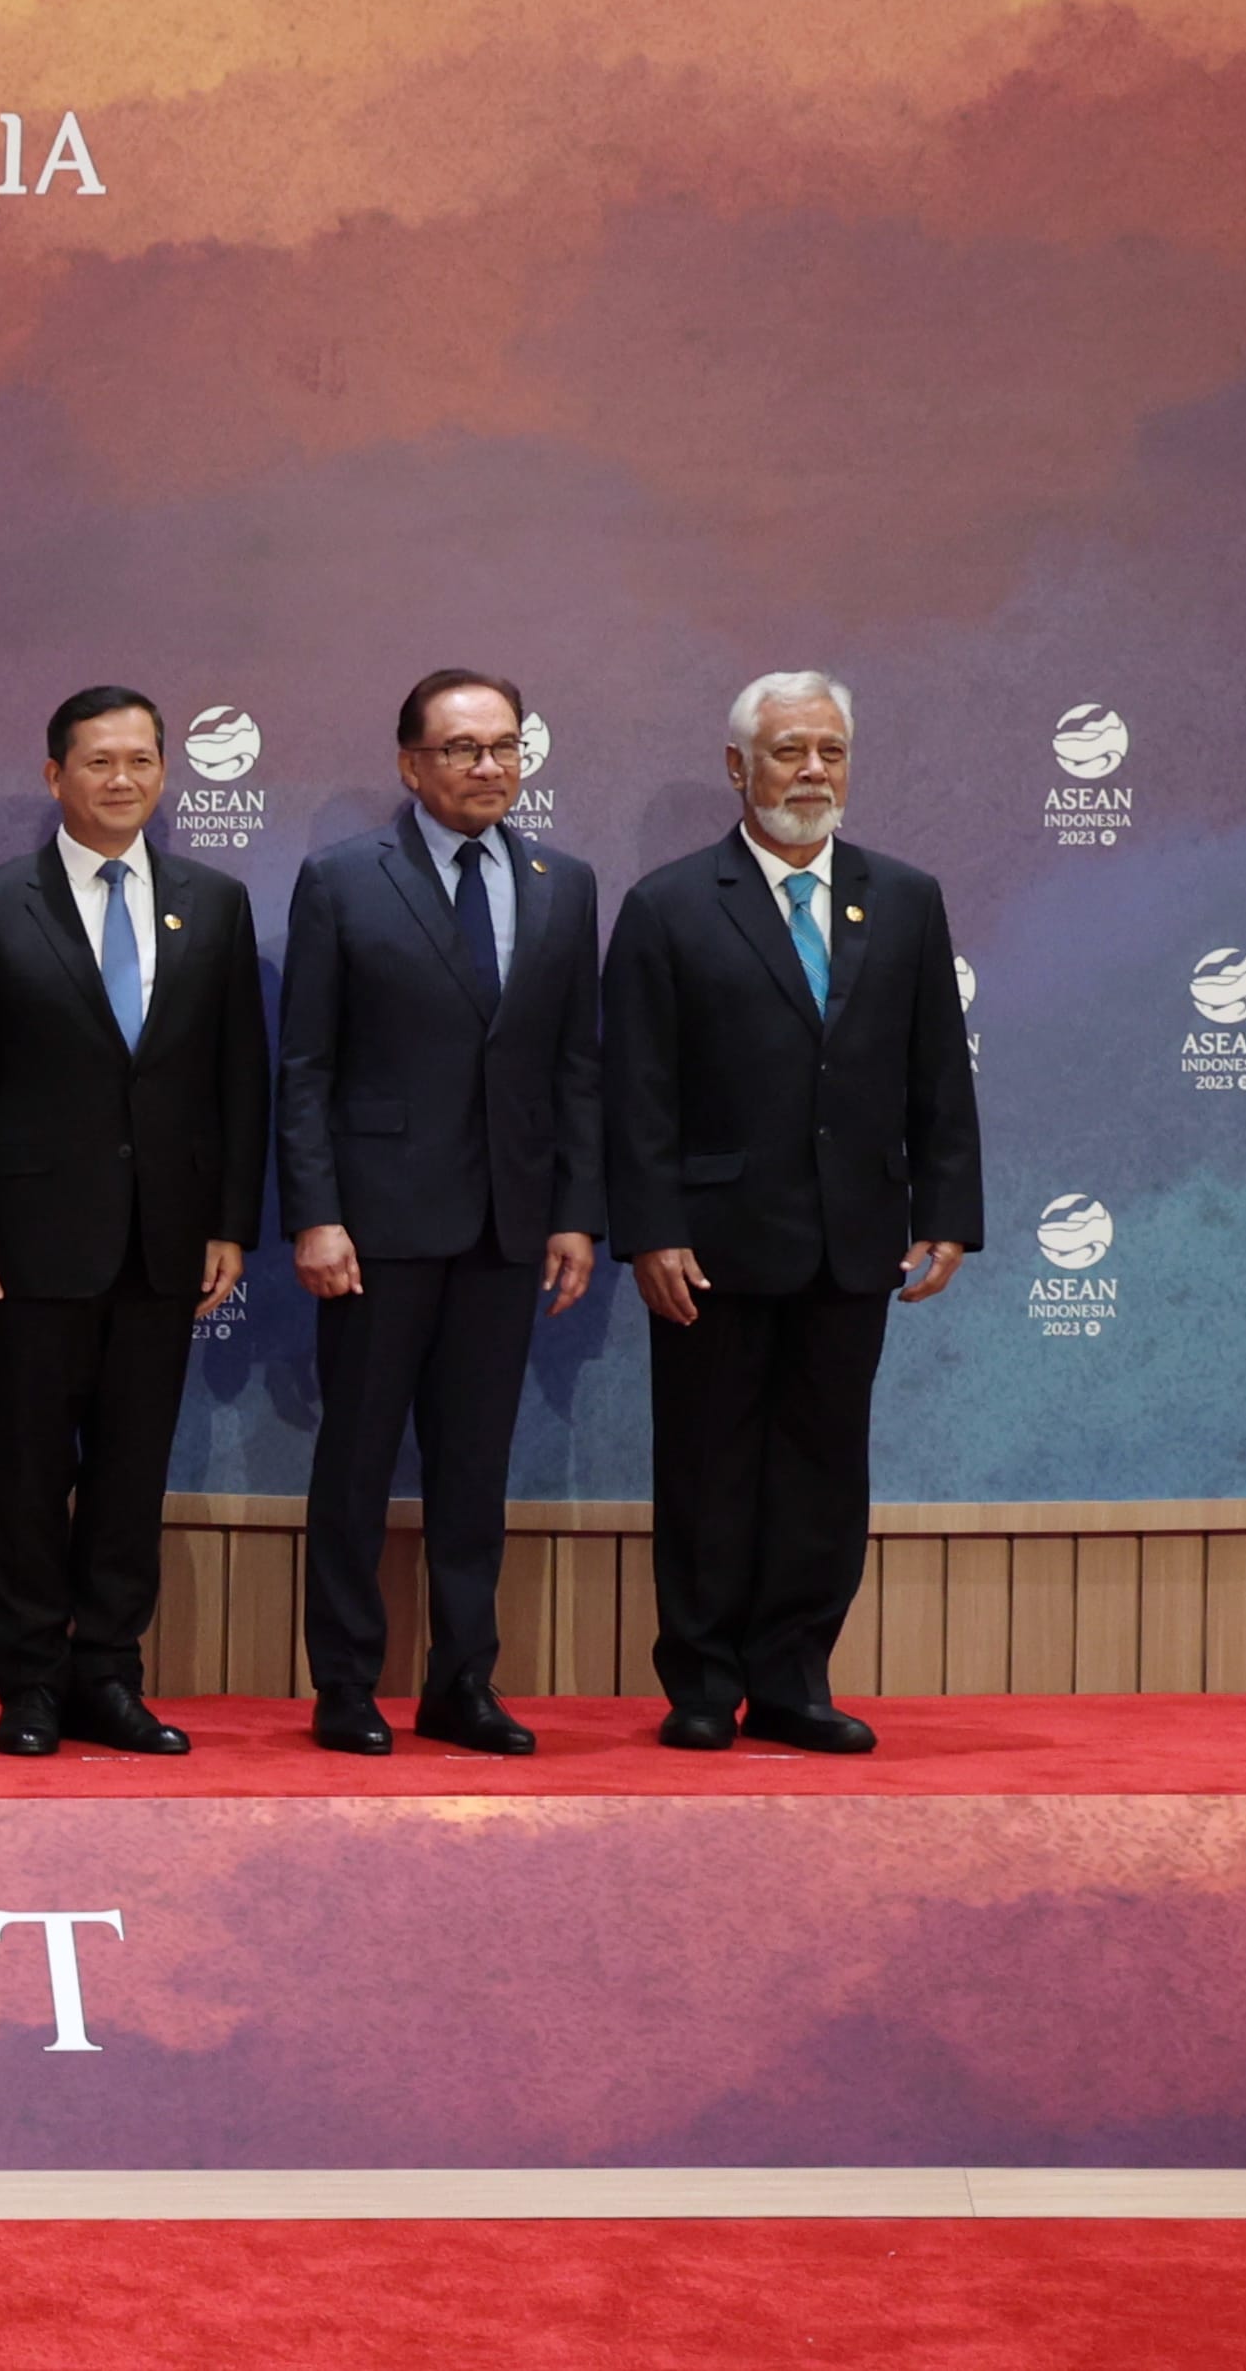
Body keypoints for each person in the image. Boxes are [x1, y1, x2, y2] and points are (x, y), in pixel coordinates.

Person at [605, 671, 980, 1754]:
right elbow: (636, 1092)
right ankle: (699, 1680)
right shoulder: (667, 904)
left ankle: (791, 1679)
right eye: (786, 751)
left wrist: (945, 1206)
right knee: (706, 1464)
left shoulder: (903, 896)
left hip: (850, 1240)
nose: (810, 770)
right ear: (737, 767)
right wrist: (651, 1228)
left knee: (822, 1467)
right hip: (711, 1248)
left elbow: (934, 1075)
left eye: (828, 750)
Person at [0, 686, 267, 1759]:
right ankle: (26, 1684)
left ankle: (107, 1677)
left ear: (164, 774)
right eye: (97, 762)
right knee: (26, 1476)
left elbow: (236, 1078)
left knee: (129, 1476)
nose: (120, 779)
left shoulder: (212, 902)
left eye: (139, 761)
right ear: (52, 776)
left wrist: (229, 1220)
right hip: (26, 1247)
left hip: (164, 1243)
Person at [277, 670, 602, 1757]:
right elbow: (305, 1065)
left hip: (507, 1229)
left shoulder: (563, 882)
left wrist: (572, 1212)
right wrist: (314, 1214)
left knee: (473, 1474)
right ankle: (344, 1685)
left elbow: (571, 1066)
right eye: (460, 749)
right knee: (357, 1465)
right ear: (409, 764)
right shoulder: (339, 879)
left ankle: (462, 1685)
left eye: (504, 747)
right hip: (373, 1229)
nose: (486, 768)